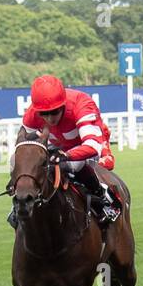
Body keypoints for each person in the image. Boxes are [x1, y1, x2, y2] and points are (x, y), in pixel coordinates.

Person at [12, 75, 120, 228]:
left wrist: (66, 155)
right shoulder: (32, 113)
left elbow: (92, 146)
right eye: (44, 113)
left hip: (86, 144)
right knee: (26, 162)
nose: (49, 118)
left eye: (54, 112)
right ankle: (20, 205)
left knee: (72, 165)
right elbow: (25, 146)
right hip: (57, 144)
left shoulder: (81, 104)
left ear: (63, 105)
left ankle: (103, 199)